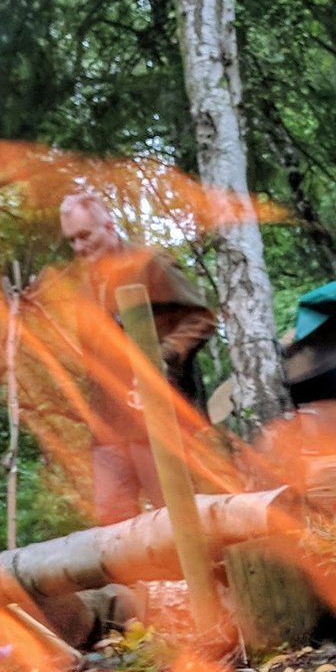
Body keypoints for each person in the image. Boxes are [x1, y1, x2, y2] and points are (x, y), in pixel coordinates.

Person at [52, 190, 220, 524]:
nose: (79, 248)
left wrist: (162, 358)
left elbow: (201, 318)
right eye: (72, 241)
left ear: (110, 227)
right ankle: (136, 580)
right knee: (112, 526)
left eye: (85, 236)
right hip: (109, 428)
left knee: (175, 519)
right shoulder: (84, 290)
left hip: (157, 419)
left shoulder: (149, 264)